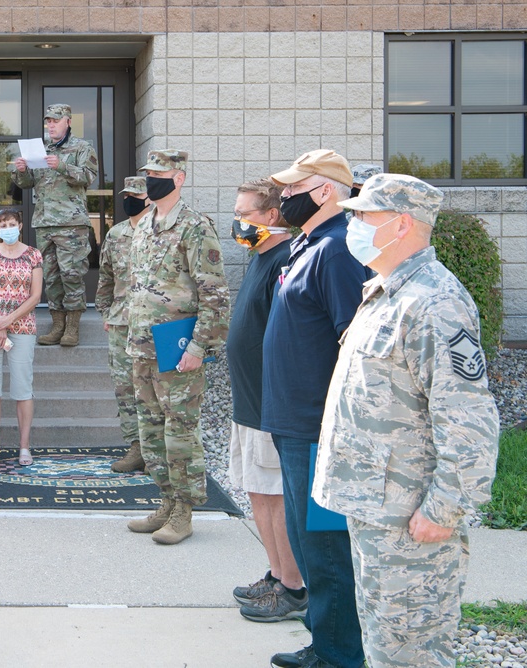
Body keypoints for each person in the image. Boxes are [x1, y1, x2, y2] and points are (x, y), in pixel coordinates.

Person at [315, 174, 500, 668]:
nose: (351, 224)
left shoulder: (435, 302)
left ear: (400, 225)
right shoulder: (387, 290)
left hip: (410, 518)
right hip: (377, 507)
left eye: (361, 216)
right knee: (383, 644)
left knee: (410, 654)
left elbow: (469, 420)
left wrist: (444, 509)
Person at [263, 150, 370, 668]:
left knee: (325, 551)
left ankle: (338, 655)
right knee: (308, 545)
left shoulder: (339, 250)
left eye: (293, 187)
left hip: (317, 429)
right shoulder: (307, 246)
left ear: (324, 189)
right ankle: (323, 642)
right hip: (293, 424)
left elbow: (355, 344)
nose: (284, 196)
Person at [125, 149, 230, 545]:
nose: (151, 179)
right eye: (148, 173)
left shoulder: (194, 227)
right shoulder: (143, 225)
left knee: (180, 429)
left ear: (179, 177)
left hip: (178, 347)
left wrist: (200, 347)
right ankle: (166, 501)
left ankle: (185, 510)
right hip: (142, 346)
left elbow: (215, 295)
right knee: (151, 428)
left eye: (159, 173)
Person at [225, 179, 306, 623]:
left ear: (271, 216)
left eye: (245, 213)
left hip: (270, 405)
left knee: (277, 496)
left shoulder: (284, 260)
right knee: (257, 489)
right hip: (248, 402)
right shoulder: (258, 258)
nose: (237, 221)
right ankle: (276, 574)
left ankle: (293, 587)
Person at [12, 103, 99, 347]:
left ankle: (72, 327)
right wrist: (21, 171)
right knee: (50, 278)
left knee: (71, 275)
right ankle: (57, 325)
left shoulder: (83, 147)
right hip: (44, 223)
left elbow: (88, 177)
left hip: (71, 224)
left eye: (55, 120)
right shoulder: (41, 149)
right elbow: (28, 183)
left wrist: (61, 165)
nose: (50, 125)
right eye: (48, 121)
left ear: (68, 122)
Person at [0, 210, 43, 467]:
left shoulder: (33, 254)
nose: (8, 228)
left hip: (23, 328)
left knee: (23, 389)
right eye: (3, 225)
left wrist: (9, 320)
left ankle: (24, 447)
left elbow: (35, 296)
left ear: (21, 225)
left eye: (12, 223)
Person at [95, 176, 148, 473]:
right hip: (120, 323)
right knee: (125, 388)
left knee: (153, 387)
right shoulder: (115, 234)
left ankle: (157, 449)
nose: (129, 200)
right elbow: (105, 277)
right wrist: (106, 312)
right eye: (126, 195)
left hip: (153, 323)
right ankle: (136, 447)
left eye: (135, 195)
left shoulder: (160, 230)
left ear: (149, 198)